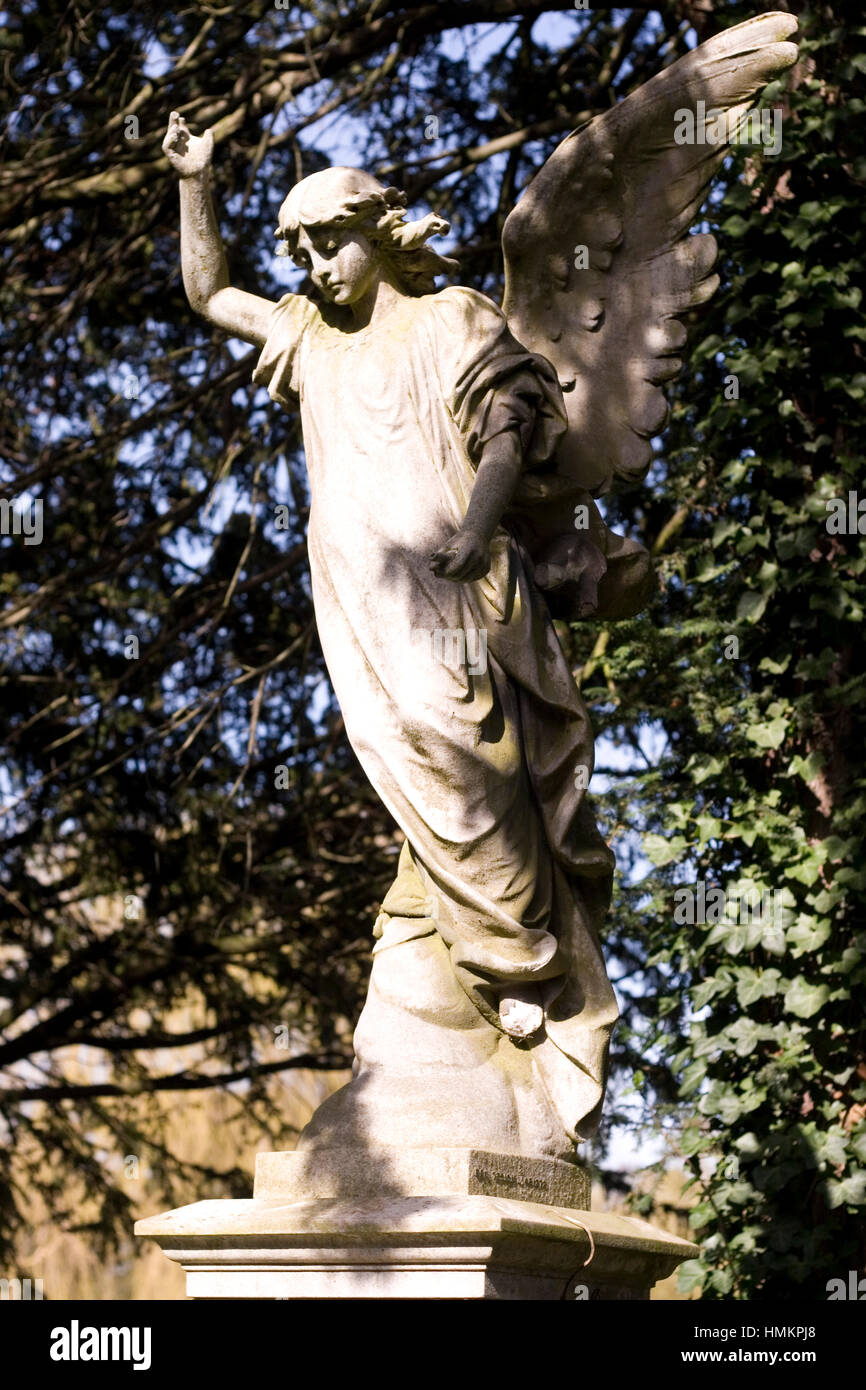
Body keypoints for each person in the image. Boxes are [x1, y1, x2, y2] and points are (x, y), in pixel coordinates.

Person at [163, 112, 619, 1141]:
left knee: (472, 757)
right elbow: (205, 293)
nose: (318, 265)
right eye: (301, 250)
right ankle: (474, 965)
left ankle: (525, 967)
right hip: (356, 599)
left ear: (380, 227)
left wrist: (474, 525)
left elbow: (506, 429)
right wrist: (197, 183)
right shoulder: (308, 334)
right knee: (403, 759)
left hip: (451, 586)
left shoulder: (449, 317)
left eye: (332, 238)